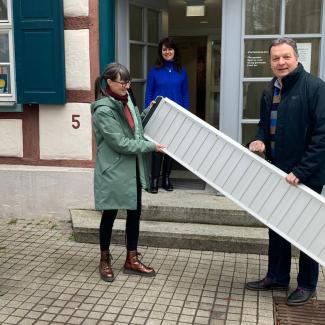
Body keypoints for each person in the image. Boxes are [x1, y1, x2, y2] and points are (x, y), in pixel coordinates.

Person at [246, 37, 325, 306]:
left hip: (306, 176)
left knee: (306, 231)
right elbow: (263, 126)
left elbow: (322, 137)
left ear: (296, 58)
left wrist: (301, 171)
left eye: (286, 57)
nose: (281, 62)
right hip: (277, 173)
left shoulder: (315, 88)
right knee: (277, 228)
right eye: (276, 58)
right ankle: (277, 276)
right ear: (271, 62)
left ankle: (306, 284)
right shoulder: (270, 90)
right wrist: (258, 141)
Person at [91, 62, 165, 282]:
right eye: (122, 82)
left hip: (131, 167)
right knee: (110, 215)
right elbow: (121, 143)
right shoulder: (103, 110)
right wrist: (151, 147)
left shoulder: (127, 101)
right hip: (114, 170)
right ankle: (104, 259)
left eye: (128, 82)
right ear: (109, 83)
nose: (126, 86)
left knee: (134, 214)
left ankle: (131, 259)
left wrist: (146, 113)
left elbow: (135, 129)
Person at [145, 37, 190, 193]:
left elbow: (185, 94)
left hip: (176, 116)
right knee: (157, 149)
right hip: (158, 115)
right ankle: (154, 181)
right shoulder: (154, 71)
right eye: (164, 49)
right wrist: (147, 112)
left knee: (171, 149)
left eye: (170, 49)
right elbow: (149, 93)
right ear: (161, 52)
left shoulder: (182, 72)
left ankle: (166, 179)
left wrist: (186, 116)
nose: (167, 52)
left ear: (174, 51)